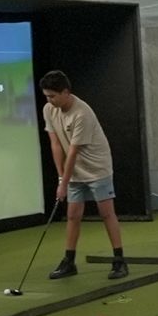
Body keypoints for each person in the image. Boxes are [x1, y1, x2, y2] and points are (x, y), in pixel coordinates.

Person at [39, 70, 129, 280]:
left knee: (106, 213)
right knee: (72, 215)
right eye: (46, 96)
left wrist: (64, 181)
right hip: (74, 171)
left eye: (53, 96)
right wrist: (62, 178)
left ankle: (119, 261)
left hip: (97, 168)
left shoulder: (82, 113)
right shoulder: (49, 109)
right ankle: (69, 262)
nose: (49, 100)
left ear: (66, 92)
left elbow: (73, 151)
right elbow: (56, 145)